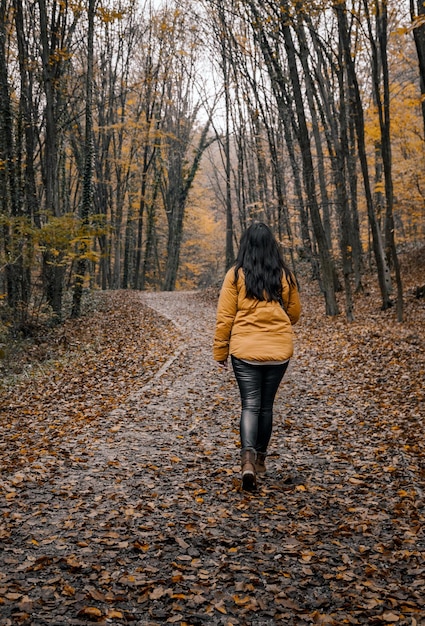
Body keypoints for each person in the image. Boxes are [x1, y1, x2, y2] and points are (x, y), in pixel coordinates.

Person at [213, 222, 301, 491]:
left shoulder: (236, 275)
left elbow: (225, 317)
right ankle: (260, 460)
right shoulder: (284, 275)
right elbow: (294, 314)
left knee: (249, 404)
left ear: (245, 245)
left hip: (245, 350)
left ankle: (247, 461)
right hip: (278, 350)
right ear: (272, 246)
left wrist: (220, 350)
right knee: (266, 406)